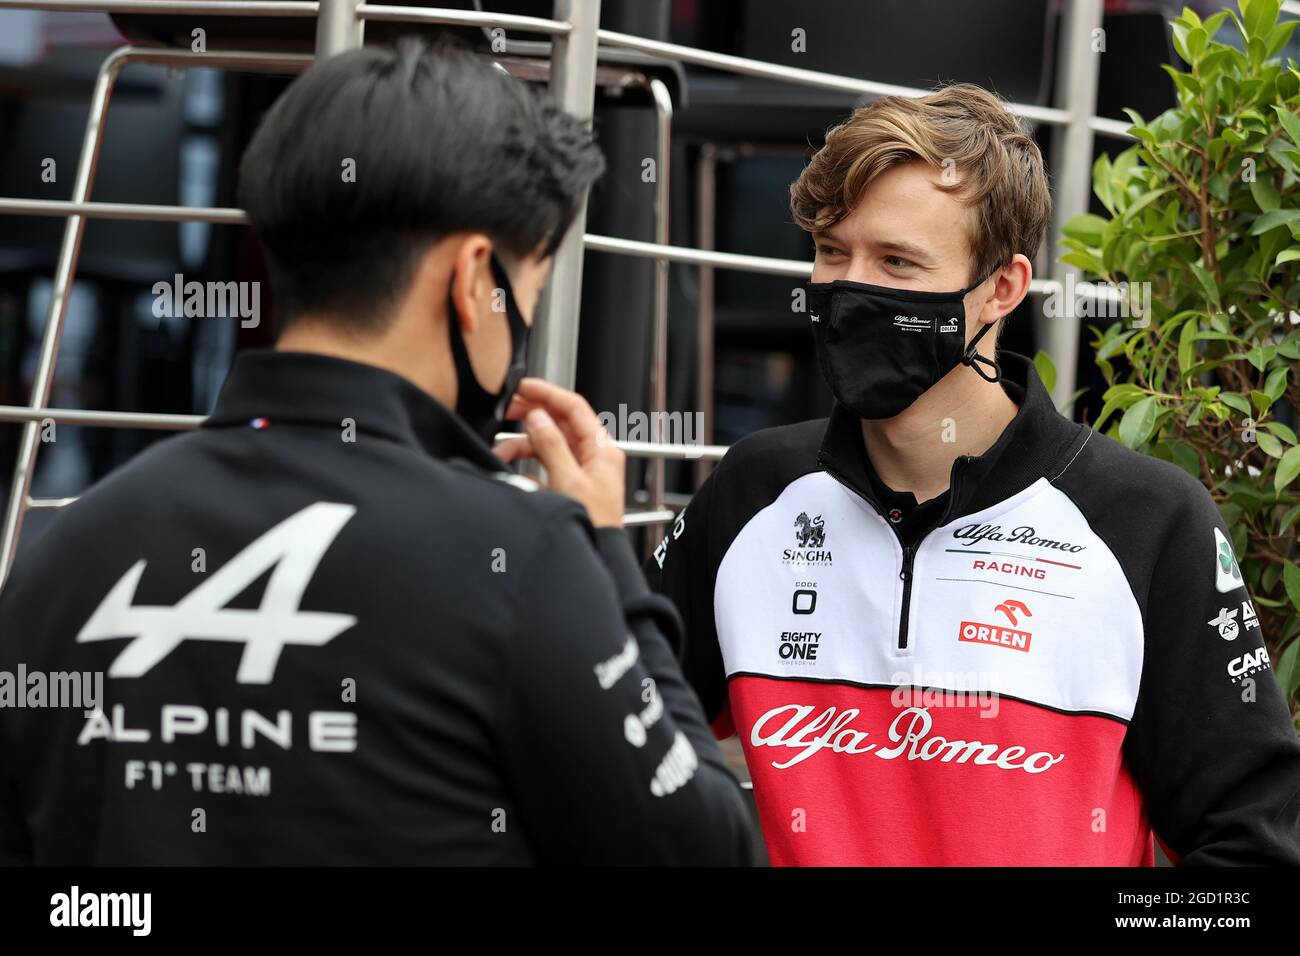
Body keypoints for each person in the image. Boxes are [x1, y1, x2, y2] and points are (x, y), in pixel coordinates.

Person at [0, 38, 755, 866]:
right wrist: (609, 555)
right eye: (529, 293)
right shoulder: (523, 559)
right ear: (475, 283)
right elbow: (705, 850)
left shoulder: (69, 545)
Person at [645, 83, 1300, 866]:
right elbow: (613, 744)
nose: (852, 290)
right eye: (830, 253)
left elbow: (1255, 853)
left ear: (1002, 289)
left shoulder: (1149, 523)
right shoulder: (755, 491)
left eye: (897, 261)